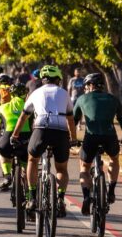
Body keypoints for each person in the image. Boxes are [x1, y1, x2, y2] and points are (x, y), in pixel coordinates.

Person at [11, 65, 76, 218]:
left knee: (32, 160)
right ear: (58, 79)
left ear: (42, 80)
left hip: (41, 129)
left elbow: (23, 117)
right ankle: (60, 198)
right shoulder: (64, 93)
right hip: (60, 133)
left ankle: (32, 198)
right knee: (61, 168)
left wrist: (15, 135)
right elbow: (71, 119)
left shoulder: (35, 92)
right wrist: (73, 139)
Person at [73, 73, 122, 214]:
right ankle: (111, 190)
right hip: (110, 137)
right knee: (114, 159)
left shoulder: (82, 99)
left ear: (90, 86)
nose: (85, 88)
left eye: (86, 86)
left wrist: (71, 138)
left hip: (91, 138)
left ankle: (86, 196)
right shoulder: (113, 98)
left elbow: (73, 121)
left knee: (84, 167)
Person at [0, 82, 31, 191]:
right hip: (26, 139)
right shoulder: (31, 106)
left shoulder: (2, 107)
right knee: (27, 166)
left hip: (8, 139)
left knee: (3, 154)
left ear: (12, 94)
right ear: (25, 94)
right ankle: (29, 195)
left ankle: (7, 176)